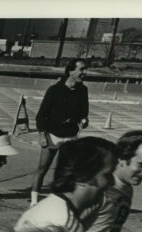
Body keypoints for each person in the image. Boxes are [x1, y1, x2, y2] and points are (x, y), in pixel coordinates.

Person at [31, 58, 90, 207]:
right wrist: (42, 135)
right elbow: (41, 114)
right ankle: (33, 202)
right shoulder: (54, 90)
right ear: (71, 71)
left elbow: (84, 112)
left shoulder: (83, 90)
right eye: (82, 69)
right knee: (42, 169)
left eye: (85, 69)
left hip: (70, 135)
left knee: (69, 172)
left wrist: (83, 120)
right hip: (52, 135)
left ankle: (62, 202)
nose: (85, 73)